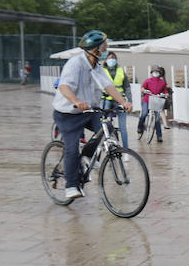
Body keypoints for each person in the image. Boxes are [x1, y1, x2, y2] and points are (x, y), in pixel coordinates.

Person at [51, 31, 134, 200]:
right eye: (103, 46)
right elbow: (64, 86)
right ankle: (71, 186)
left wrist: (123, 102)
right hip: (68, 113)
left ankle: (88, 156)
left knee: (107, 128)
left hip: (89, 111)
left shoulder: (97, 67)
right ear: (95, 49)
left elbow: (109, 86)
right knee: (72, 149)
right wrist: (75, 100)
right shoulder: (75, 64)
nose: (106, 49)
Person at [98, 50, 132, 146]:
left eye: (113, 58)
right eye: (109, 58)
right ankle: (107, 144)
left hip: (120, 100)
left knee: (123, 127)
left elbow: (127, 87)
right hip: (106, 100)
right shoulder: (101, 70)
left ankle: (126, 150)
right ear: (105, 60)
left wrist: (130, 101)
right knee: (104, 124)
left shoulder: (121, 70)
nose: (111, 60)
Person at [140, 66, 170, 143]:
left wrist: (166, 94)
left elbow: (165, 90)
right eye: (154, 71)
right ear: (152, 72)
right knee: (144, 113)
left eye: (157, 72)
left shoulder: (162, 82)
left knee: (157, 119)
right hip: (147, 99)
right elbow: (142, 88)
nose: (155, 73)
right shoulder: (148, 81)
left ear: (159, 73)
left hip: (156, 100)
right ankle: (140, 127)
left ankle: (159, 136)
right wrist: (144, 90)